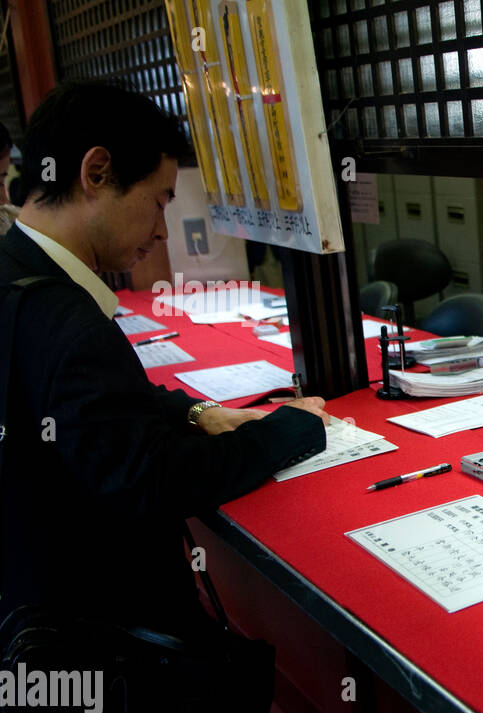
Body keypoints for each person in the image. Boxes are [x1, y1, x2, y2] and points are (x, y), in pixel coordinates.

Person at [0, 80, 327, 634]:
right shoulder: (66, 321)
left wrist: (196, 413)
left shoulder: (16, 270)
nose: (160, 230)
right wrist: (288, 431)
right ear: (96, 173)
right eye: (159, 200)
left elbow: (98, 408)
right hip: (105, 639)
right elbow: (153, 481)